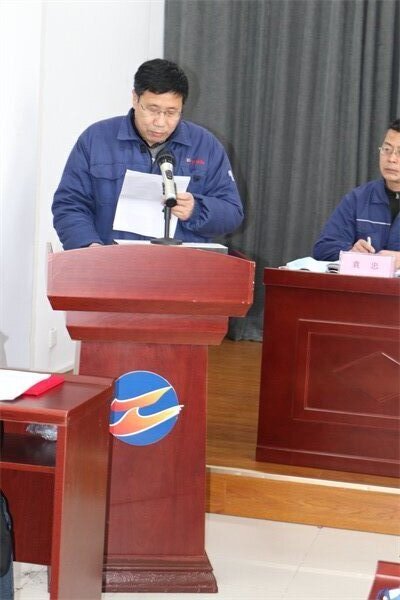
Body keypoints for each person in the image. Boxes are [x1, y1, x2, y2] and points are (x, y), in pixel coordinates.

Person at [52, 58, 244, 250]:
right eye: (153, 110)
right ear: (135, 99)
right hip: (112, 263)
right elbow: (69, 204)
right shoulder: (96, 139)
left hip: (181, 265)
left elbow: (232, 213)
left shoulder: (206, 146)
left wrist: (196, 209)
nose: (160, 122)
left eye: (171, 112)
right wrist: (90, 247)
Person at [313, 118, 400, 268]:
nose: (391, 159)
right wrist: (350, 252)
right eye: (387, 149)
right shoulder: (359, 199)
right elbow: (323, 248)